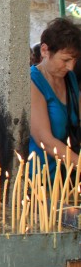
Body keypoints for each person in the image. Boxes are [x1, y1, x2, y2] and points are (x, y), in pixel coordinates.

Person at [30, 17, 81, 181]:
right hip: (39, 179)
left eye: (75, 60)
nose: (71, 67)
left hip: (66, 176)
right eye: (65, 60)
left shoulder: (69, 78)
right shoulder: (31, 81)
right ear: (44, 50)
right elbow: (44, 139)